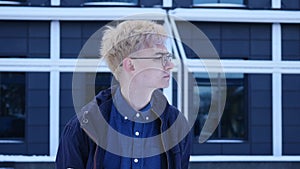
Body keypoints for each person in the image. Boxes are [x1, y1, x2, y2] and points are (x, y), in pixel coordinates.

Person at [56, 20, 192, 169]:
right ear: (130, 65)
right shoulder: (83, 127)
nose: (170, 65)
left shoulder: (176, 126)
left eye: (168, 57)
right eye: (160, 57)